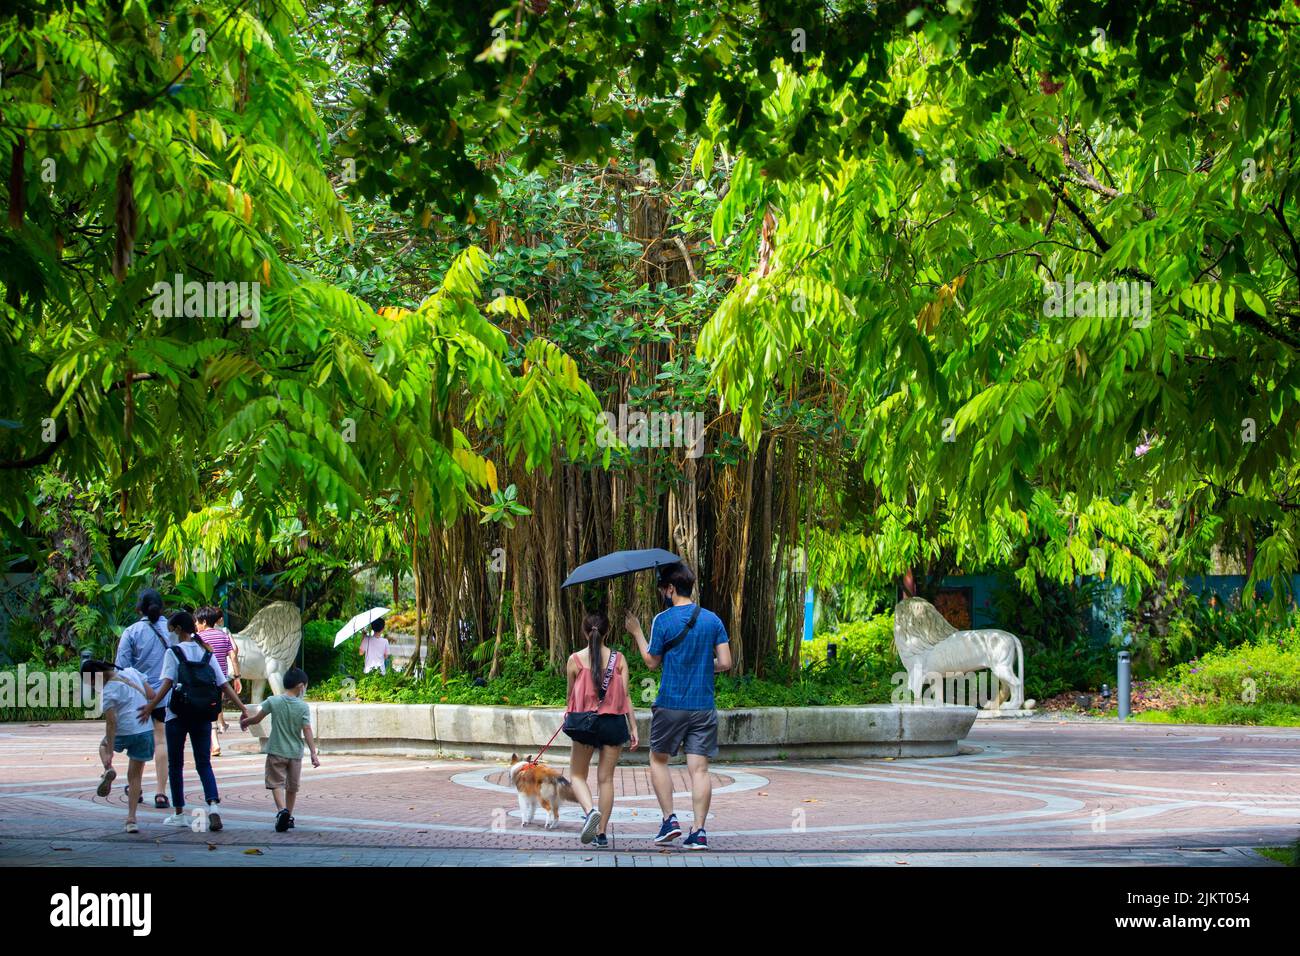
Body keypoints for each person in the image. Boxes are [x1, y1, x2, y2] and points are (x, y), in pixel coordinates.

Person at [626, 561, 731, 851]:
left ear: (671, 588)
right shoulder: (712, 620)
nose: (664, 594)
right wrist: (702, 663)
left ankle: (669, 820)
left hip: (671, 704)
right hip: (703, 706)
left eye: (664, 589)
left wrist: (636, 632)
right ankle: (698, 832)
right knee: (699, 770)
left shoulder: (663, 620)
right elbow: (725, 663)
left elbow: (651, 661)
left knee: (658, 760)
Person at [137, 610, 250, 831]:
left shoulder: (174, 653)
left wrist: (150, 706)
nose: (170, 634)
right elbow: (223, 684)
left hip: (177, 716)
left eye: (171, 630)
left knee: (176, 764)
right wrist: (243, 708)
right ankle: (214, 806)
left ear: (178, 630)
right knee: (204, 764)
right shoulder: (205, 652)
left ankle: (179, 812)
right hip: (202, 715)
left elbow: (167, 684)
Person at [562, 611, 637, 848]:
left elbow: (570, 697)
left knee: (576, 775)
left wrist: (569, 713)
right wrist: (633, 726)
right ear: (607, 632)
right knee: (606, 779)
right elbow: (625, 696)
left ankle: (589, 811)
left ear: (585, 632)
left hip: (586, 723)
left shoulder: (575, 660)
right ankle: (601, 834)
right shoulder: (619, 659)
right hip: (614, 723)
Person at [113, 588, 173, 809]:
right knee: (161, 741)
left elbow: (122, 668)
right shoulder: (172, 630)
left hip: (139, 698)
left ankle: (135, 788)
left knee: (137, 744)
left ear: (139, 608)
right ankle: (161, 793)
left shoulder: (132, 631)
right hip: (166, 696)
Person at [240, 666, 319, 832]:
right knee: (292, 786)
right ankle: (288, 815)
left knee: (276, 783)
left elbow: (257, 718)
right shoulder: (303, 707)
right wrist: (313, 753)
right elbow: (307, 729)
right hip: (295, 753)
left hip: (276, 750)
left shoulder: (273, 701)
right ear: (300, 686)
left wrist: (246, 722)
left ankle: (281, 810)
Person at [82, 658, 153, 833]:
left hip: (124, 731)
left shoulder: (108, 691)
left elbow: (111, 722)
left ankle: (108, 769)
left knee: (103, 746)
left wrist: (110, 752)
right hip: (144, 730)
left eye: (91, 683)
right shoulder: (132, 672)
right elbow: (152, 695)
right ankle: (131, 819)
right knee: (135, 776)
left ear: (94, 678)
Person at [196, 606, 239, 756]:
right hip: (221, 681)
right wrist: (237, 677)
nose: (196, 625)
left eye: (198, 622)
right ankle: (213, 742)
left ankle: (214, 743)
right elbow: (233, 656)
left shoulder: (200, 638)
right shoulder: (223, 636)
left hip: (204, 680)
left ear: (204, 621)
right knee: (214, 710)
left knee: (206, 713)